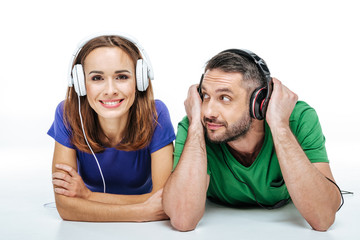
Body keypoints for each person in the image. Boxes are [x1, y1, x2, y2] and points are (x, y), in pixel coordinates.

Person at [163, 49, 342, 231]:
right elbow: (183, 219)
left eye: (225, 98)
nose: (208, 112)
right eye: (205, 96)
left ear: (259, 103)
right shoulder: (196, 124)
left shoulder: (297, 119)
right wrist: (195, 127)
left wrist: (280, 127)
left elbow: (323, 218)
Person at [48, 33, 175, 222]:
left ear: (139, 80)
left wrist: (88, 198)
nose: (110, 90)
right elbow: (65, 208)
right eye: (97, 78)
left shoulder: (156, 114)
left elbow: (166, 200)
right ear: (80, 83)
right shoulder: (67, 113)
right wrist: (141, 212)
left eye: (122, 77)